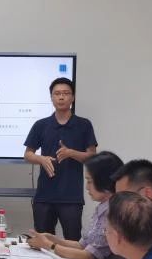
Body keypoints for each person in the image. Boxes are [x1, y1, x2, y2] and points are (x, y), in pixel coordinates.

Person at [28, 151, 129, 259]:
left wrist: (49, 246)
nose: (86, 187)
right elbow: (81, 246)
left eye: (89, 181)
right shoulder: (103, 207)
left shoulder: (114, 212)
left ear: (104, 181)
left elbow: (86, 257)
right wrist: (52, 239)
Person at [24, 77, 97, 241]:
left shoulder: (84, 125)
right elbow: (28, 154)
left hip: (71, 197)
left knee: (72, 241)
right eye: (57, 94)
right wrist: (41, 159)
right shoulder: (41, 125)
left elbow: (93, 157)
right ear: (51, 97)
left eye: (66, 93)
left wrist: (71, 153)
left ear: (73, 97)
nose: (61, 97)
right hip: (44, 196)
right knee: (42, 242)